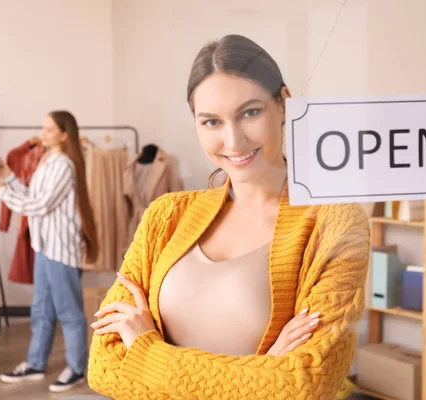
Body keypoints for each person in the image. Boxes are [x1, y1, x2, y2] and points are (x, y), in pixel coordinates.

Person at [87, 34, 369, 399]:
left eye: (250, 112)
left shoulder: (337, 222)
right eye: (211, 122)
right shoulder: (165, 216)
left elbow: (306, 384)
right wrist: (264, 367)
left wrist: (145, 350)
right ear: (196, 123)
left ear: (283, 105)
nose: (233, 141)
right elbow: (104, 367)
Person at [0, 111, 99, 393]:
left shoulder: (64, 165)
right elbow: (32, 197)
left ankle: (77, 368)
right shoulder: (48, 162)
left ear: (64, 134)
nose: (42, 134)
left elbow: (39, 206)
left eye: (49, 130)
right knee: (41, 310)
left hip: (61, 250)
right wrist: (7, 178)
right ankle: (35, 363)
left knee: (68, 311)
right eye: (43, 129)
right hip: (45, 247)